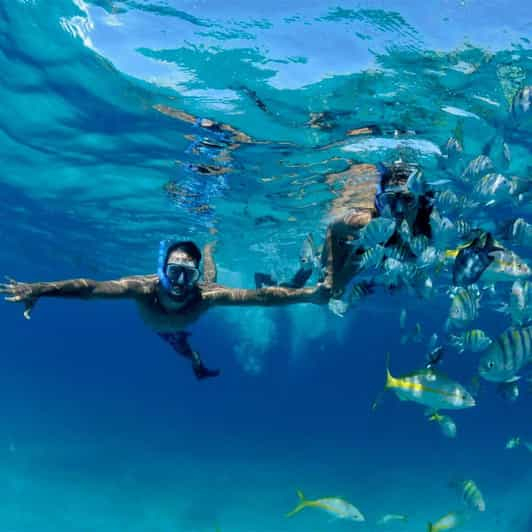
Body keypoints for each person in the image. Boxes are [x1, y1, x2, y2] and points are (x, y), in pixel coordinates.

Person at [0, 240, 329, 380]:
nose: (180, 282)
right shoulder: (143, 290)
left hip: (181, 319)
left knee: (213, 282)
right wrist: (41, 289)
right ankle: (198, 363)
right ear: (162, 271)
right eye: (174, 272)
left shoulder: (206, 294)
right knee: (184, 349)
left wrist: (311, 296)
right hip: (164, 331)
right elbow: (90, 288)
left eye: (188, 274)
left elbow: (261, 298)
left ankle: (210, 252)